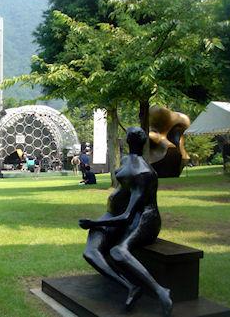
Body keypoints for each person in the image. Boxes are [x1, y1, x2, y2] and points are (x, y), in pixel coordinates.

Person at [79, 127, 172, 317]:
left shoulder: (143, 173)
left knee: (119, 252)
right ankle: (129, 286)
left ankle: (160, 290)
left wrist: (93, 224)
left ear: (129, 141)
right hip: (116, 213)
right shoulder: (127, 160)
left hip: (144, 218)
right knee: (90, 252)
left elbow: (129, 216)